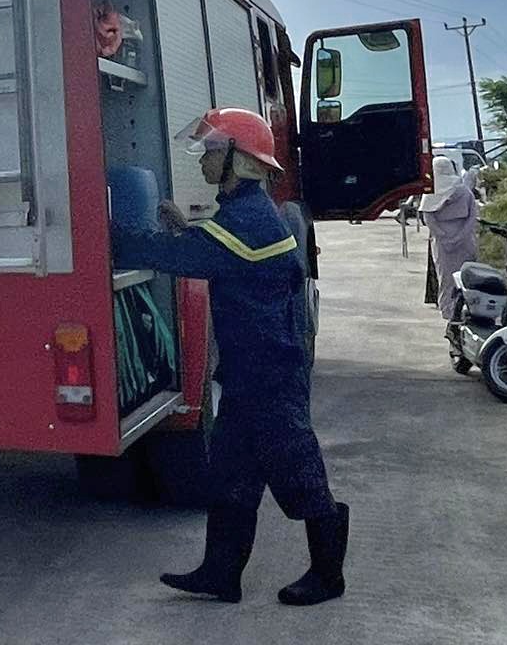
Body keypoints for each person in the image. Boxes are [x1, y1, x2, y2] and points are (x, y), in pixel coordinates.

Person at [113, 108, 350, 607]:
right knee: (231, 475)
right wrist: (183, 228)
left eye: (212, 152)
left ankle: (328, 577)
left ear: (239, 162)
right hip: (249, 373)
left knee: (296, 470)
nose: (203, 161)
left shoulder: (248, 220)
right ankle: (221, 574)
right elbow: (207, 249)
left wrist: (108, 237)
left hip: (271, 376)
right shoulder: (244, 214)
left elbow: (184, 259)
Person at [423, 155, 482, 323]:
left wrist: (444, 236)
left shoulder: (431, 192)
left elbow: (428, 217)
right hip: (464, 239)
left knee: (447, 278)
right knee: (465, 276)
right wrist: (460, 235)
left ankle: (449, 311)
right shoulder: (463, 190)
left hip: (443, 242)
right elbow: (472, 217)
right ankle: (465, 309)